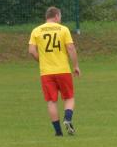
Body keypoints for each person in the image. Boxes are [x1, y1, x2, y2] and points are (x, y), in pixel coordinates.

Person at [27, 7, 81, 136]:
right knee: (69, 97)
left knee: (51, 101)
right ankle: (67, 118)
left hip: (46, 72)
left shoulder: (36, 31)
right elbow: (70, 48)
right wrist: (76, 66)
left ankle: (58, 132)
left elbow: (31, 51)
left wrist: (42, 61)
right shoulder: (63, 29)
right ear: (56, 16)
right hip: (63, 70)